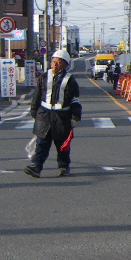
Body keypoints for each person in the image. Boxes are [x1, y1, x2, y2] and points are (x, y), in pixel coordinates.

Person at [25, 48, 82, 179]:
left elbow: (75, 100)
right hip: (44, 115)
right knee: (42, 143)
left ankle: (64, 166)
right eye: (53, 62)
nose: (55, 65)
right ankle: (36, 167)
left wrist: (75, 116)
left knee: (62, 145)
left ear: (65, 65)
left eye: (59, 62)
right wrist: (34, 111)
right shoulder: (44, 77)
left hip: (62, 117)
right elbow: (37, 96)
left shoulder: (70, 80)